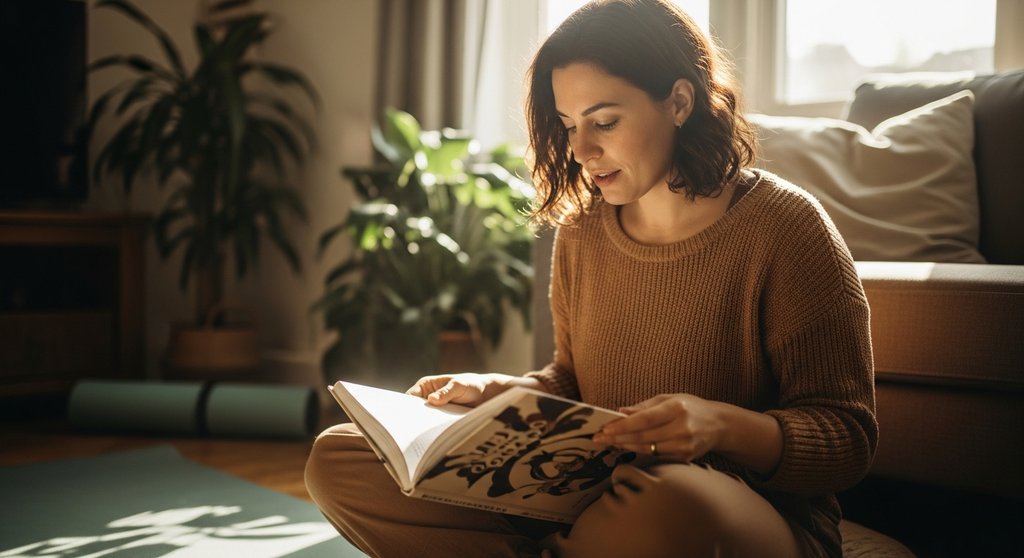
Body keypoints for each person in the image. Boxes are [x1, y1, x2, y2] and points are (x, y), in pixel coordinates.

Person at [305, 0, 877, 556]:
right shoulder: (582, 230)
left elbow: (847, 439)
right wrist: (501, 393)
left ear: (680, 101)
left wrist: (718, 426)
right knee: (343, 460)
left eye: (605, 121)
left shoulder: (787, 228)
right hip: (585, 494)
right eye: (568, 124)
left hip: (735, 511)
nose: (581, 149)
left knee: (670, 503)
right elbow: (573, 381)